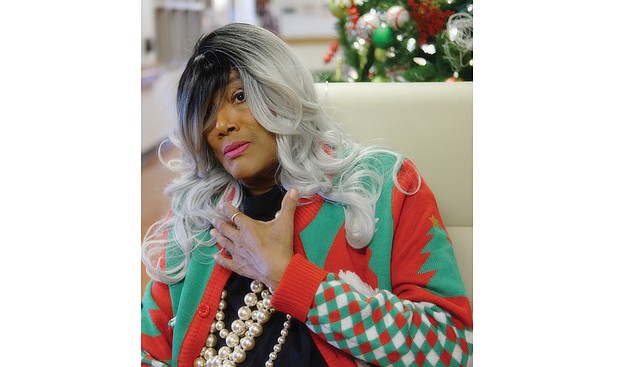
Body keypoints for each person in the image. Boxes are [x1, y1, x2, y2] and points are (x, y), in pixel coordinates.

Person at [141, 23, 473, 367]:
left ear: (280, 91)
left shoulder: (384, 185)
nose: (223, 123)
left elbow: (451, 349)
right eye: (206, 112)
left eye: (240, 96)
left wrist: (289, 278)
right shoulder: (194, 218)